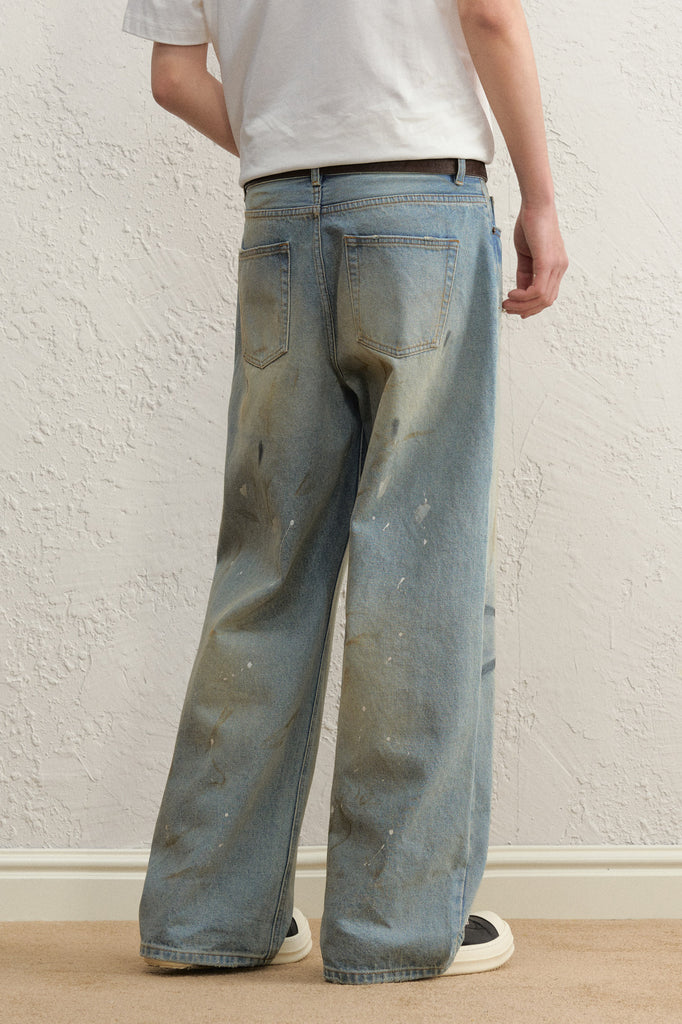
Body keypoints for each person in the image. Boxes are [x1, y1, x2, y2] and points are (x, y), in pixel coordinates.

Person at [122, 0, 567, 986]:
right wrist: (540, 196)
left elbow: (174, 77)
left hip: (279, 218)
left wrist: (296, 148)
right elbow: (489, 13)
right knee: (421, 571)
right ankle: (395, 925)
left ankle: (208, 915)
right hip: (422, 208)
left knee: (264, 569)